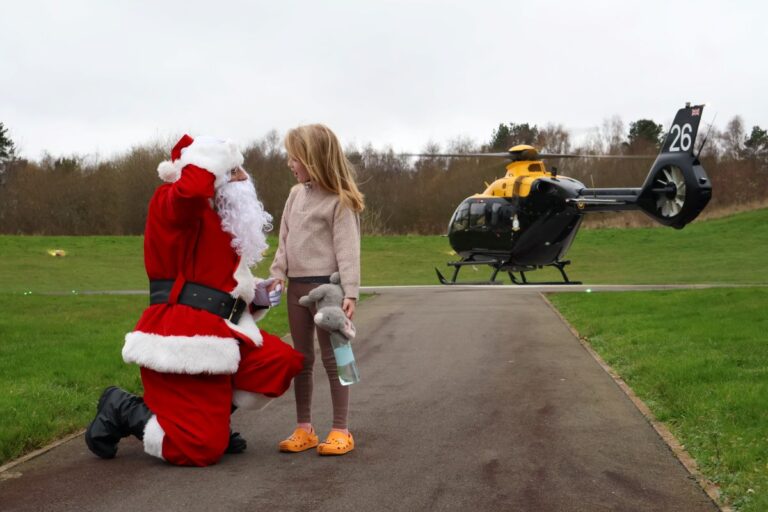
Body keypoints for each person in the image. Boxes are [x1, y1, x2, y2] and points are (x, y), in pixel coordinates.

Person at [85, 134, 304, 467]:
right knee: (198, 449)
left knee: (279, 363)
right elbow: (189, 192)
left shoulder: (219, 222)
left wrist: (257, 293)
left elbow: (220, 286)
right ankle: (123, 408)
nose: (245, 178)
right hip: (182, 336)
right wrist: (208, 158)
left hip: (221, 334)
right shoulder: (171, 202)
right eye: (232, 170)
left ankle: (209, 416)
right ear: (206, 170)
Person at [269, 124, 364, 456]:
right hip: (296, 290)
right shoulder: (295, 195)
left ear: (313, 158)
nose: (290, 164)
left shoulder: (340, 201)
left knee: (337, 357)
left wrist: (350, 292)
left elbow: (348, 250)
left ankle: (341, 429)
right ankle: (304, 428)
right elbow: (284, 239)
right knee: (302, 359)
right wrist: (278, 274)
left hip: (329, 294)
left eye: (294, 158)